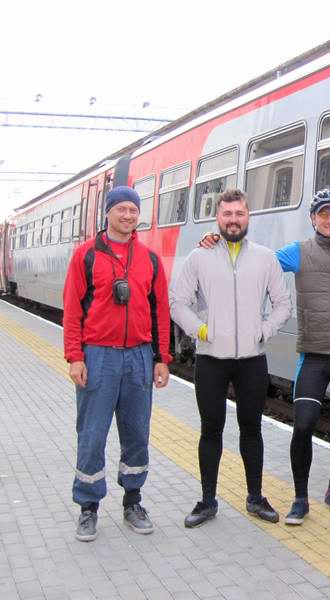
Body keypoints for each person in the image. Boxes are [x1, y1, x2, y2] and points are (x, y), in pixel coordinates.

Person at [198, 188, 330, 525]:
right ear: (313, 219)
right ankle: (300, 498)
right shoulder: (296, 253)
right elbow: (255, 260)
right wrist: (215, 242)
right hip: (313, 354)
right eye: (323, 214)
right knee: (304, 425)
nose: (329, 220)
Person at [170, 189, 292, 527]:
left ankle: (255, 497)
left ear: (248, 216)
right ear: (218, 219)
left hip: (252, 360)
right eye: (227, 215)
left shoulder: (266, 258)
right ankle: (207, 501)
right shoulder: (199, 257)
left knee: (251, 430)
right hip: (211, 359)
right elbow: (178, 302)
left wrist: (264, 330)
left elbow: (283, 303)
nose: (233, 220)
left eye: (239, 214)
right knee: (211, 431)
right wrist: (202, 331)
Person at [63, 186, 171, 542]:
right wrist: (75, 356)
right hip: (99, 356)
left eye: (133, 210)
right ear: (107, 213)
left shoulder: (150, 260)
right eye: (121, 209)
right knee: (92, 435)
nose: (128, 216)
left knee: (137, 434)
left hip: (140, 356)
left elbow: (161, 313)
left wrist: (161, 358)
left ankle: (133, 502)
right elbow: (73, 310)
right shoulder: (85, 256)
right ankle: (88, 508)